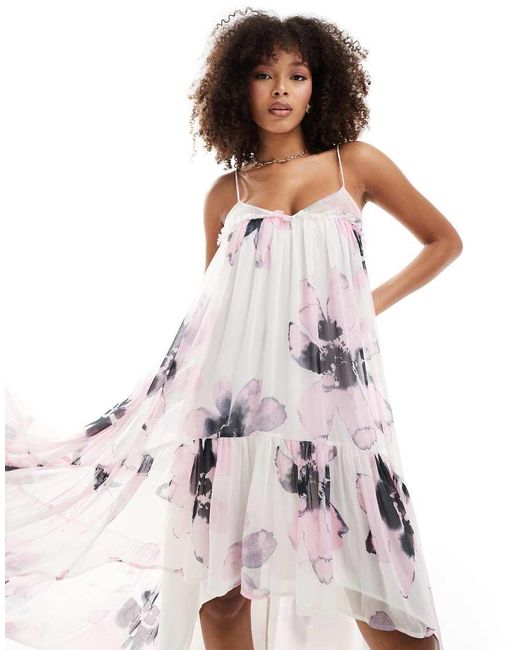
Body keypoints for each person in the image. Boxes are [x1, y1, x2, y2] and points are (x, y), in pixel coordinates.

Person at [5, 9, 462, 650]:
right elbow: (214, 311)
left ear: (320, 86)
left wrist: (364, 307)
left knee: (383, 589)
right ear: (236, 87)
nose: (280, 90)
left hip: (336, 414)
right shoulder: (228, 194)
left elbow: (444, 241)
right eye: (263, 74)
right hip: (232, 410)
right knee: (219, 603)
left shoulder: (354, 165)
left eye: (297, 75)